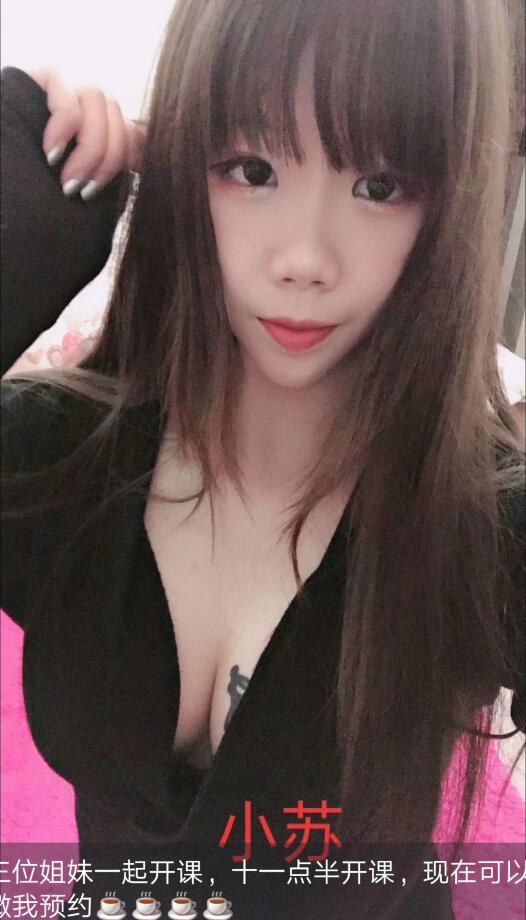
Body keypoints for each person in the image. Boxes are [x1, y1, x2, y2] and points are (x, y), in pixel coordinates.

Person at [1, 1, 524, 917]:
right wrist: (19, 220)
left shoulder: (483, 528)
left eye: (381, 185)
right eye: (253, 169)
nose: (304, 258)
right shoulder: (61, 455)